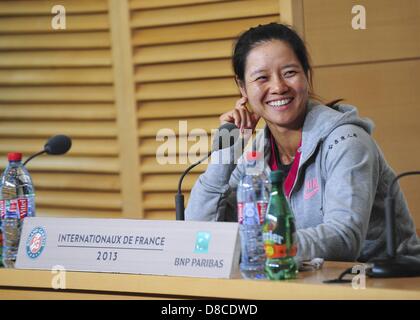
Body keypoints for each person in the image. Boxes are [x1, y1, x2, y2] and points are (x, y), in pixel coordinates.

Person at [185, 22, 420, 263]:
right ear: (242, 87)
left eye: (289, 73)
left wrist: (254, 246)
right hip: (309, 285)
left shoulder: (347, 141)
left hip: (386, 285)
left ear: (306, 75)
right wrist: (226, 152)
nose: (278, 87)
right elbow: (198, 235)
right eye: (262, 78)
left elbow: (344, 238)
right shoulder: (258, 153)